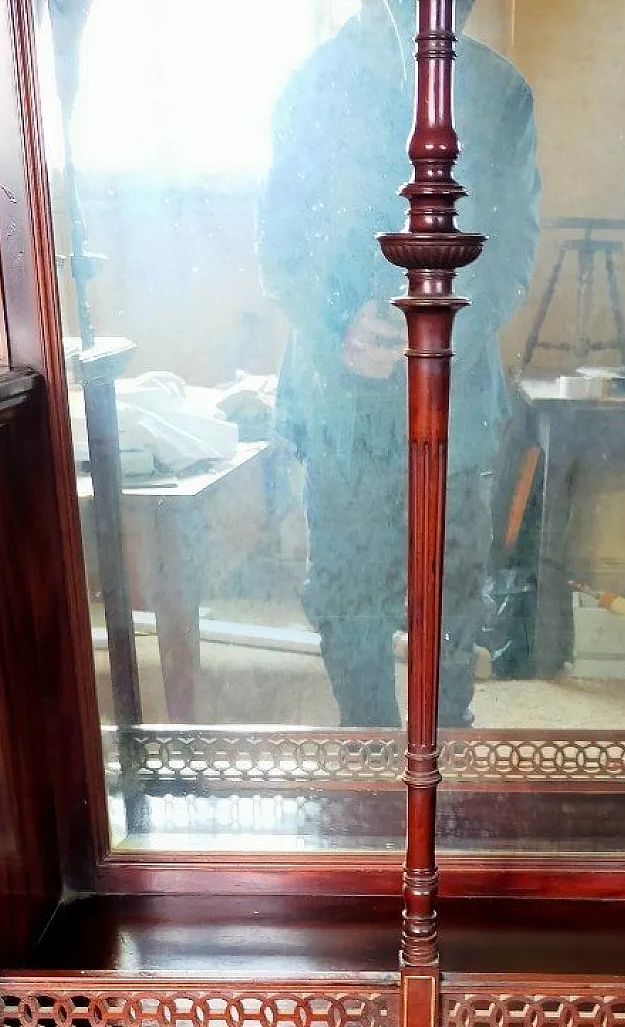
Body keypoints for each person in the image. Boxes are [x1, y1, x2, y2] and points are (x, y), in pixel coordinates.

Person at [257, 0, 540, 728]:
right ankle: (366, 795)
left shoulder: (501, 94)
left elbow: (511, 248)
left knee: (449, 613)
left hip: (455, 399)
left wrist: (441, 331)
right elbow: (281, 241)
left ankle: (444, 804)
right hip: (341, 404)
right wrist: (337, 325)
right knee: (350, 616)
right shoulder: (313, 85)